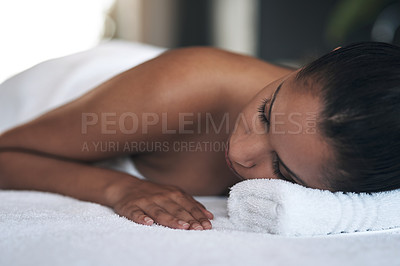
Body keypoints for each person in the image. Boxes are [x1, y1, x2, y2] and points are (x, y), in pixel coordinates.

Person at [0, 41, 399, 231]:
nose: (241, 153)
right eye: (264, 113)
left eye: (282, 170)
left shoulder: (349, 152)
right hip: (87, 96)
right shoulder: (181, 89)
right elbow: (6, 153)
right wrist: (117, 188)